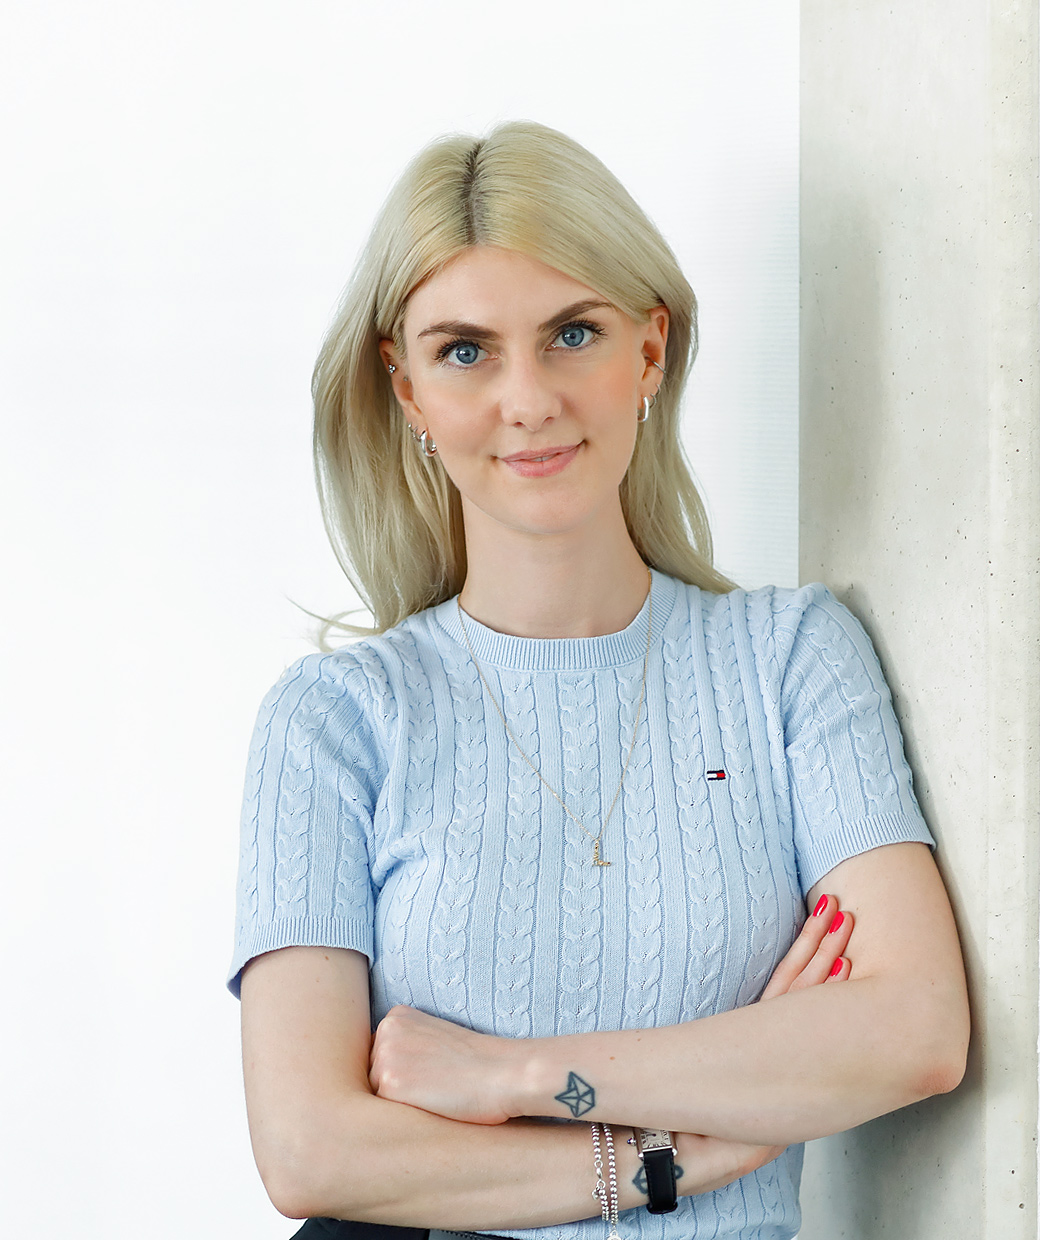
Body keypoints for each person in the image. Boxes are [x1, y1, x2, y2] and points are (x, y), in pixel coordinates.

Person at [229, 122, 969, 1240]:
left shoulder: (787, 658)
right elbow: (309, 1150)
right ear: (406, 388)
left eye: (571, 332)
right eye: (463, 350)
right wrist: (673, 1156)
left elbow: (913, 1031)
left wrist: (515, 1076)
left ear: (650, 351)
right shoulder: (336, 721)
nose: (525, 399)